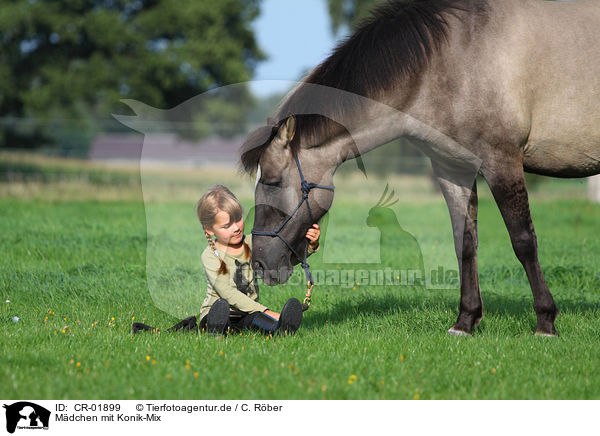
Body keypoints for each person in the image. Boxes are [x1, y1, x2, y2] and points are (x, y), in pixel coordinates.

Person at [132, 184, 320, 335]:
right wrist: (267, 311)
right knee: (220, 315)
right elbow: (228, 293)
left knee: (256, 323)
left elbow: (277, 264)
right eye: (227, 225)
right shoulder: (210, 255)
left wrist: (309, 246)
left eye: (238, 219)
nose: (236, 228)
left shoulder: (253, 243)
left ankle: (281, 329)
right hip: (221, 310)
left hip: (247, 311)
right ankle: (215, 328)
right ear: (209, 230)